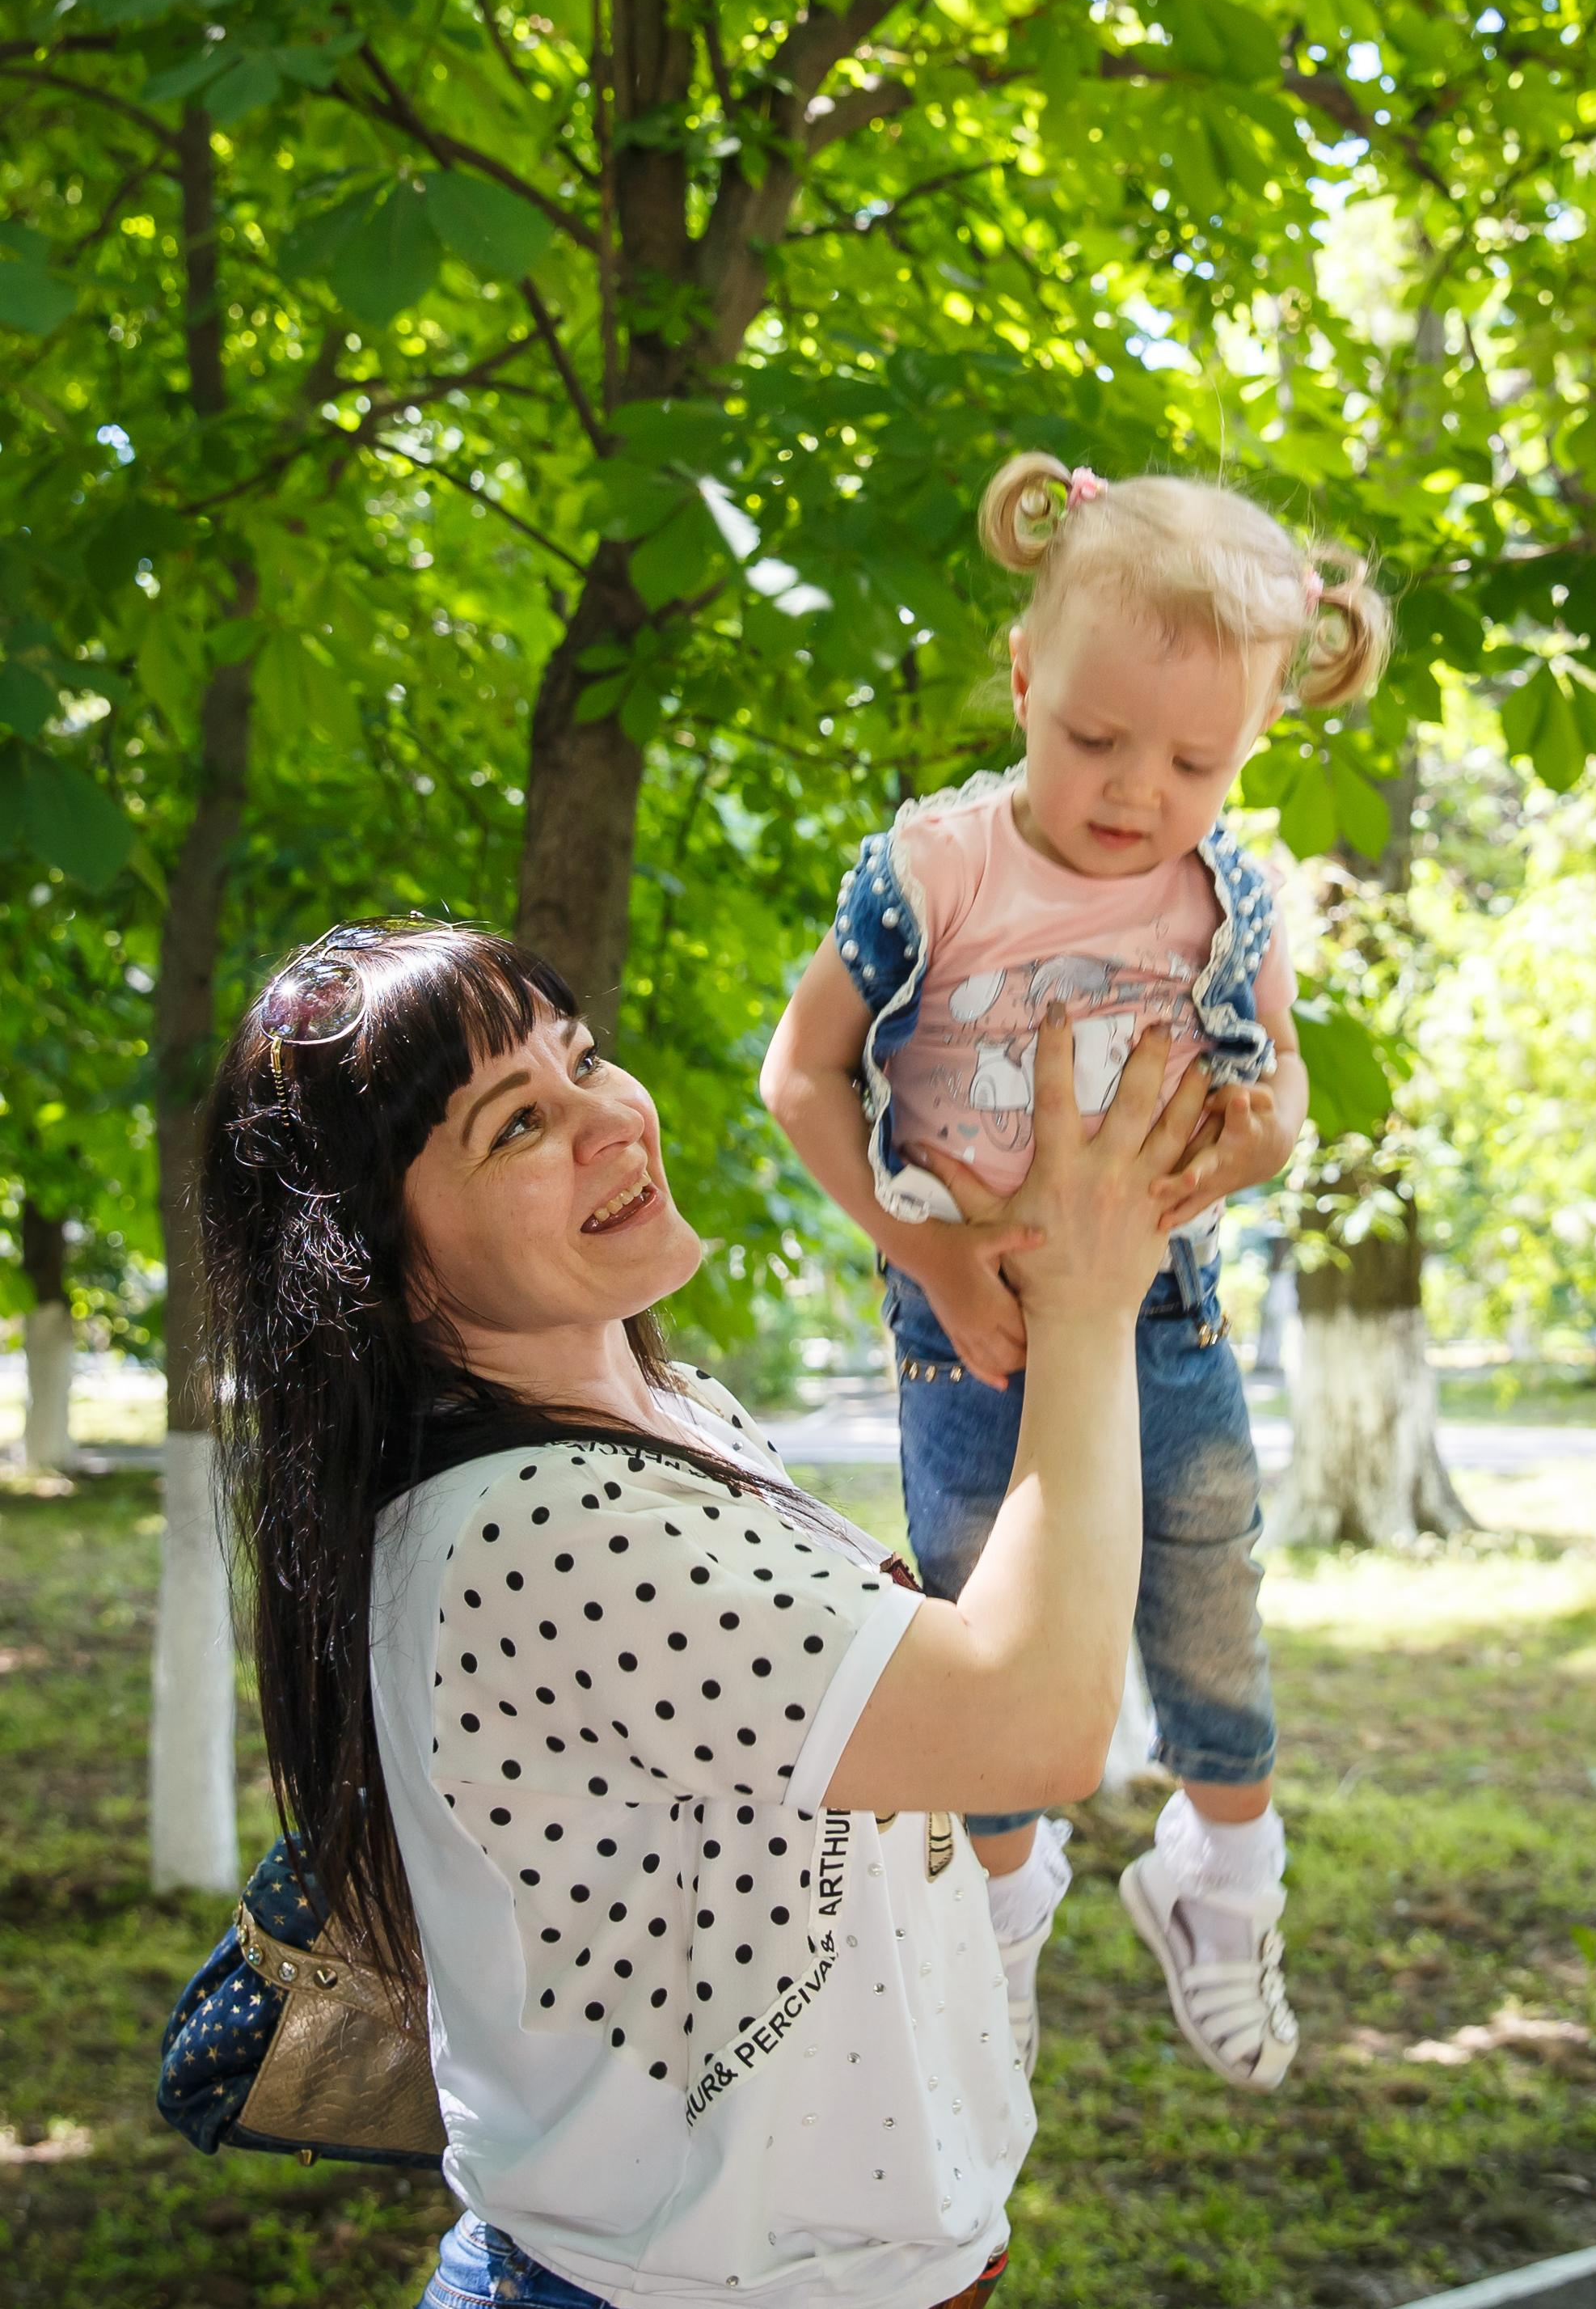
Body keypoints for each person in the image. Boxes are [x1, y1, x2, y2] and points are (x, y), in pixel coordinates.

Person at [201, 918, 1208, 2309]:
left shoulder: (671, 1417)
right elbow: (1028, 1721)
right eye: (514, 1127)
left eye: (585, 1060)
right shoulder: (530, 1530)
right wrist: (1096, 1300)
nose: (608, 1121)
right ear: (384, 1264)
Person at [762, 456, 1393, 2091]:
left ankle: (1223, 1874)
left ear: (1256, 742)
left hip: (1165, 1317)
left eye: (1194, 758)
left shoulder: (1223, 891)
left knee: (1210, 1594)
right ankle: (1001, 1916)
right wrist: (935, 1251)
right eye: (1095, 737)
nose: (1135, 790)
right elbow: (801, 1075)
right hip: (968, 1327)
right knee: (986, 1641)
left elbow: (1287, 1089)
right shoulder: (938, 869)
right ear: (1026, 677)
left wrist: (1258, 1145)